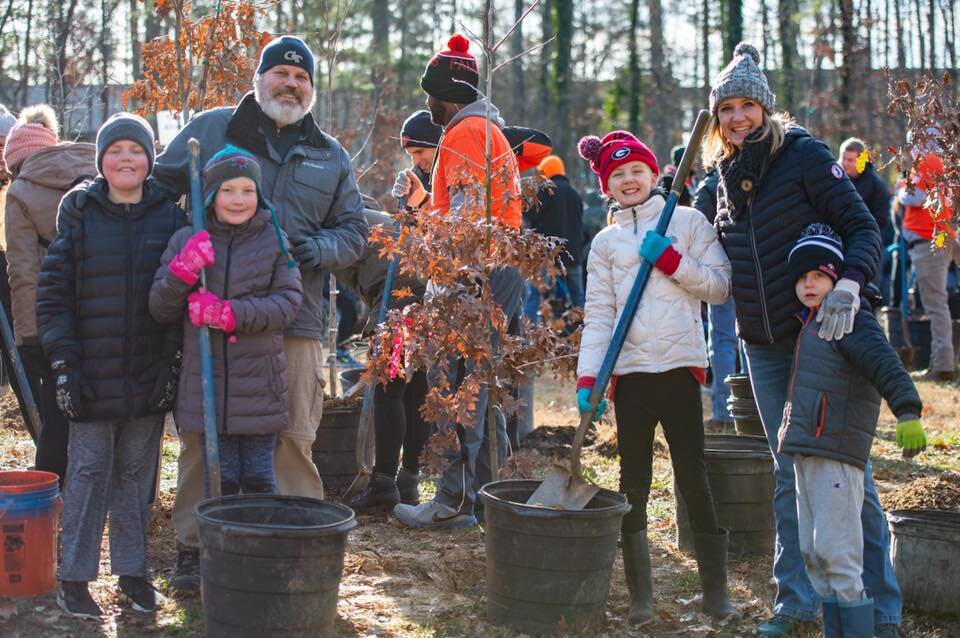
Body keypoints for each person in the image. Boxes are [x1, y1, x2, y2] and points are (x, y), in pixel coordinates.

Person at [57, 35, 368, 592]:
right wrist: (93, 192)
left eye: (302, 79)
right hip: (203, 319)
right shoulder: (210, 129)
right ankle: (195, 550)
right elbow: (149, 182)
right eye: (280, 74)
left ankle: (290, 545)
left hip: (289, 319)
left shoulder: (331, 154)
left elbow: (354, 232)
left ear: (312, 89)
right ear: (259, 77)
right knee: (205, 437)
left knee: (292, 433)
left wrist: (314, 251)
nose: (290, 85)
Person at [704, 43, 897, 638]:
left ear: (765, 108)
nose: (737, 118)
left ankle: (881, 606)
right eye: (726, 109)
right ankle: (796, 601)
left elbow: (863, 226)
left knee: (841, 466)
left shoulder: (807, 156)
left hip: (826, 333)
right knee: (787, 466)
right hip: (762, 342)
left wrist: (850, 286)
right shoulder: (722, 179)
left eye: (747, 106)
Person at [575, 129, 734, 622]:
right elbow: (599, 315)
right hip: (632, 376)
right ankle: (642, 597)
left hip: (679, 371)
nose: (628, 180)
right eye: (617, 174)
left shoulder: (686, 222)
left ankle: (716, 593)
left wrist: (670, 260)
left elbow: (720, 286)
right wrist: (588, 378)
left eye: (636, 171)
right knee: (633, 481)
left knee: (693, 474)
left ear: (654, 174)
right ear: (606, 186)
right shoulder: (604, 243)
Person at [36, 113, 185, 618]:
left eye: (137, 151)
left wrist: (171, 366)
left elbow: (180, 297)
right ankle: (74, 577)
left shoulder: (169, 217)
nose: (127, 159)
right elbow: (53, 297)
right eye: (116, 150)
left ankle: (133, 574)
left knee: (137, 476)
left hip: (146, 374)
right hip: (90, 375)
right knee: (86, 473)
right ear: (102, 160)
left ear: (150, 159)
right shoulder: (80, 214)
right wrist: (63, 364)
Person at [390, 34, 524, 529]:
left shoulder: (465, 132)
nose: (428, 106)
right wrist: (428, 209)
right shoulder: (487, 131)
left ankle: (451, 504)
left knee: (454, 389)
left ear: (443, 95)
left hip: (474, 272)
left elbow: (469, 220)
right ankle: (492, 500)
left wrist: (448, 279)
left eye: (429, 96)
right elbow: (471, 208)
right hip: (497, 266)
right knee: (481, 388)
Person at [778, 224, 926, 637]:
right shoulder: (809, 322)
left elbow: (884, 363)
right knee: (812, 551)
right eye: (803, 277)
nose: (809, 284)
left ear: (836, 279)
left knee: (837, 553)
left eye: (819, 276)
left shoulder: (851, 321)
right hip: (807, 451)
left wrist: (907, 409)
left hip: (836, 453)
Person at [150, 146, 302, 496]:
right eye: (228, 190)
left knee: (260, 478)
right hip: (207, 388)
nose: (238, 200)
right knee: (220, 479)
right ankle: (218, 550)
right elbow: (160, 307)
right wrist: (183, 271)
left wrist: (228, 314)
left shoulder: (274, 241)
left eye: (248, 190)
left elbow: (287, 304)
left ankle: (259, 544)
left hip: (259, 388)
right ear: (211, 196)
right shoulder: (187, 240)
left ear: (259, 195)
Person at [2, 104, 97, 483]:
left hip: (54, 322)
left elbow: (23, 272)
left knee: (57, 413)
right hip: (110, 314)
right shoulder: (97, 169)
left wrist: (28, 339)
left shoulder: (20, 193)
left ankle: (53, 498)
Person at [339, 205, 429, 512]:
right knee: (416, 389)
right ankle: (408, 481)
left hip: (400, 295)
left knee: (388, 389)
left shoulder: (330, 222)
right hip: (428, 289)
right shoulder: (365, 215)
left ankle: (383, 484)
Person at [896, 137, 956, 382]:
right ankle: (940, 363)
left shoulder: (930, 162)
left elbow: (915, 197)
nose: (910, 147)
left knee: (936, 306)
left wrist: (901, 190)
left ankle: (943, 366)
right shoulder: (931, 163)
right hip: (931, 241)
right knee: (935, 305)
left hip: (929, 242)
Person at [694, 168, 737, 429]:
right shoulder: (755, 173)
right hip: (747, 269)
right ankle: (747, 411)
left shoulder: (708, 184)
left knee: (722, 342)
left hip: (719, 271)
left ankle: (724, 411)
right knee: (746, 343)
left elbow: (698, 230)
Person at [522, 154, 586, 321]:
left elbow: (530, 215)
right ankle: (583, 332)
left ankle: (529, 334)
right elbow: (580, 224)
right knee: (578, 298)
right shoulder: (575, 194)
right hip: (573, 255)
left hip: (546, 254)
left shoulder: (546, 190)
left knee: (534, 295)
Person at [839, 137, 894, 305]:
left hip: (868, 247)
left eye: (850, 160)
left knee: (866, 294)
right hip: (840, 244)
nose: (845, 164)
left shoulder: (876, 186)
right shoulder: (835, 181)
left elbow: (880, 221)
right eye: (843, 158)